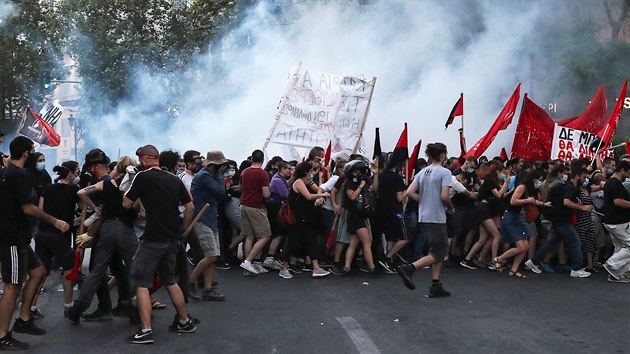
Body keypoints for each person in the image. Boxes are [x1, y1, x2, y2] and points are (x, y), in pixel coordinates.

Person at [0, 136, 70, 350]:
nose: (36, 156)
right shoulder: (15, 174)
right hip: (11, 239)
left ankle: (24, 319)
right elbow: (28, 208)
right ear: (26, 153)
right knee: (12, 286)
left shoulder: (10, 172)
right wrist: (55, 221)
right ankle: (2, 335)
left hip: (20, 238)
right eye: (33, 151)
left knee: (39, 271)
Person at [123, 145, 196, 344]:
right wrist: (184, 228)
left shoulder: (142, 177)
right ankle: (184, 321)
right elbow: (190, 206)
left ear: (147, 159)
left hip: (152, 238)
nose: (139, 163)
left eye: (140, 159)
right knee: (170, 279)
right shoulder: (174, 179)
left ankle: (146, 330)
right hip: (173, 237)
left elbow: (126, 204)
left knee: (141, 282)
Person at [66, 156, 140, 324]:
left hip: (107, 228)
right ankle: (130, 303)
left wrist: (95, 209)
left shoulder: (106, 184)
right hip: (126, 229)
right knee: (135, 268)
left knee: (98, 270)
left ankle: (78, 307)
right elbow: (138, 208)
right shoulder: (134, 185)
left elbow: (81, 193)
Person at [397, 143, 453, 297]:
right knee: (440, 252)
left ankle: (436, 285)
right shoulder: (445, 172)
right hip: (436, 217)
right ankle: (410, 268)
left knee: (436, 249)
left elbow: (409, 192)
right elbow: (444, 196)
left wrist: (424, 200)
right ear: (442, 155)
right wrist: (450, 207)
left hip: (424, 215)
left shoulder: (422, 172)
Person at [525, 167, 592, 278]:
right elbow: (566, 202)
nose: (586, 179)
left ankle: (534, 261)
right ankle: (576, 268)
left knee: (552, 242)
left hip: (558, 219)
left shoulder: (568, 187)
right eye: (584, 177)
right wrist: (583, 208)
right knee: (575, 241)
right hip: (562, 220)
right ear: (576, 176)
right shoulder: (569, 187)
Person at [33, 161, 80, 317]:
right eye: (76, 172)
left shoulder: (47, 188)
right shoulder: (74, 190)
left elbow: (40, 210)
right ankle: (69, 305)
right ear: (71, 174)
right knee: (69, 268)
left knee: (41, 271)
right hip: (60, 235)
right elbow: (81, 206)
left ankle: (31, 307)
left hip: (42, 233)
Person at [494, 170, 549, 277]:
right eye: (539, 180)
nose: (539, 182)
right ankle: (499, 259)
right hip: (509, 218)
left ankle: (514, 270)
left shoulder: (528, 189)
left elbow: (531, 200)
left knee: (526, 246)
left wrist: (544, 204)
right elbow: (513, 201)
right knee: (520, 247)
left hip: (516, 218)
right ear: (534, 179)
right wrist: (527, 201)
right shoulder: (522, 187)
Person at [189, 151, 228, 300]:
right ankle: (191, 282)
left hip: (210, 218)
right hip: (202, 219)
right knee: (211, 256)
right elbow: (220, 193)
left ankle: (208, 288)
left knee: (212, 255)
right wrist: (220, 177)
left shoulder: (208, 175)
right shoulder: (205, 176)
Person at [238, 150, 272, 276]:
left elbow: (241, 189)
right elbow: (266, 194)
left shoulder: (244, 172)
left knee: (249, 236)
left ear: (252, 159)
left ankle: (249, 267)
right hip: (256, 206)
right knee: (265, 236)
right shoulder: (262, 174)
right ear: (262, 160)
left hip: (243, 204)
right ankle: (248, 261)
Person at [601, 161, 630, 282]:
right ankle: (612, 264)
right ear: (622, 170)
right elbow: (618, 201)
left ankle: (617, 274)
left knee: (620, 247)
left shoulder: (611, 182)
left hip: (613, 221)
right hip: (618, 222)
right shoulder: (615, 184)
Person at [265, 160, 291, 276]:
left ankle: (271, 256)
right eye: (288, 169)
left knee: (278, 233)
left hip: (275, 207)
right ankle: (269, 257)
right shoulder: (277, 181)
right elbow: (286, 195)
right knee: (277, 233)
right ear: (282, 169)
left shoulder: (280, 179)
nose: (290, 171)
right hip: (273, 208)